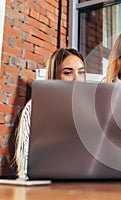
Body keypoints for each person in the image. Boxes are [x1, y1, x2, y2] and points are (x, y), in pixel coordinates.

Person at [14, 48, 86, 180]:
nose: (77, 79)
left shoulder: (89, 112)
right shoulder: (35, 107)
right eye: (68, 73)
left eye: (81, 73)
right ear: (55, 76)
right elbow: (26, 170)